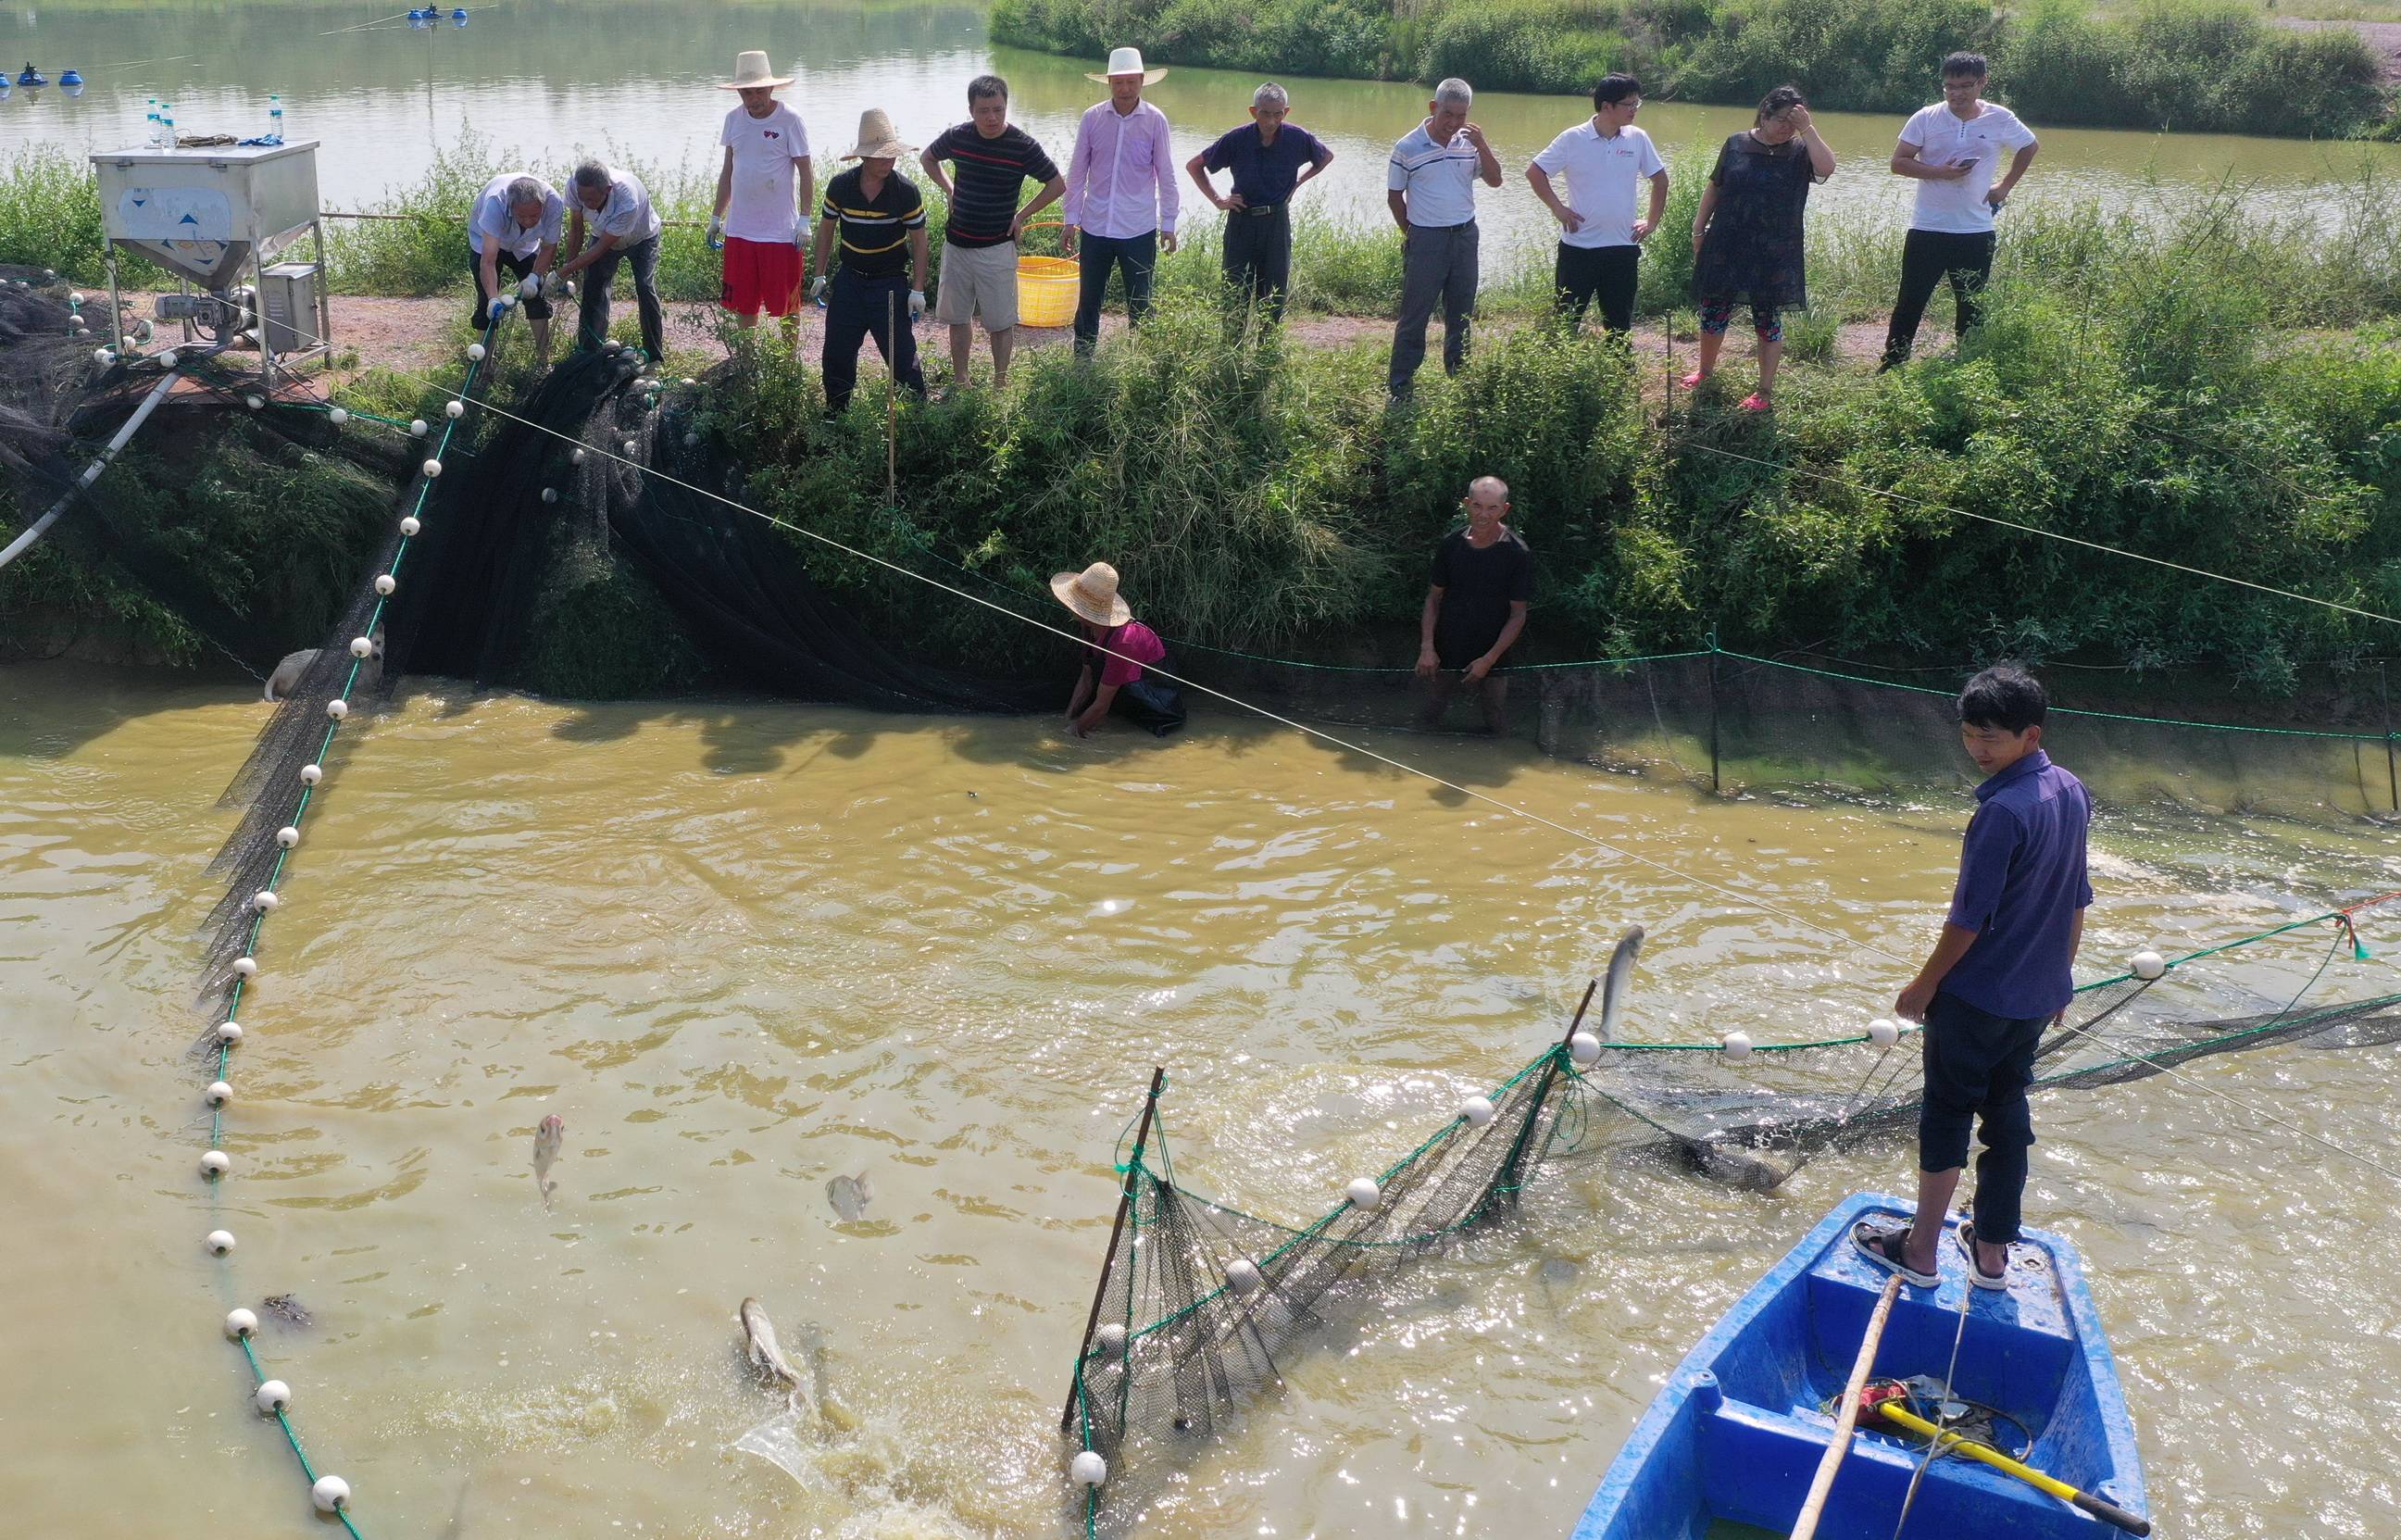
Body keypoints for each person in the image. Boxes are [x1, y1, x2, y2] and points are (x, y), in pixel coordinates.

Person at [1854, 665, 2091, 1292]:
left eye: (1992, 738)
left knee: (1946, 1116)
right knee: (2007, 1118)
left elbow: (1968, 918)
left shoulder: (2002, 813)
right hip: (2032, 999)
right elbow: (2075, 898)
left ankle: (1922, 1250)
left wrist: (1923, 984)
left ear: (2030, 735)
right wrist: (2059, 978)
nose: (1977, 750)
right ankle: (1990, 1256)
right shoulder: (2069, 790)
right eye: (1968, 735)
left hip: (1975, 995)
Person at [1881, 52, 2039, 369]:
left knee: (1971, 303)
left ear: (1982, 82)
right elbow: (1898, 163)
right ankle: (1893, 362)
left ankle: (1968, 363)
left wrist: (2004, 187)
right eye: (1949, 86)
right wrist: (1940, 171)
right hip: (1927, 226)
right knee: (1910, 300)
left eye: (1965, 86)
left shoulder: (2000, 118)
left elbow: (2029, 146)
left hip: (1976, 229)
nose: (1956, 93)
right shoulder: (1926, 117)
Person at [1686, 85, 1834, 411]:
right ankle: (1705, 371)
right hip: (1728, 242)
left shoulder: (1800, 150)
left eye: (1794, 122)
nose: (1787, 127)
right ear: (1764, 115)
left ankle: (1763, 392)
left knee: (1768, 319)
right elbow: (1715, 187)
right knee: (1714, 311)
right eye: (1782, 119)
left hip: (1775, 250)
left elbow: (1827, 169)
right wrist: (1699, 230)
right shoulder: (1736, 143)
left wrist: (1807, 129)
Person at [920, 74, 1065, 391]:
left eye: (999, 109)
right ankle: (962, 381)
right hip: (957, 244)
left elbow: (1057, 184)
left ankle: (1001, 384)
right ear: (971, 110)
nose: (992, 117)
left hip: (997, 246)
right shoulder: (958, 136)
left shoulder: (1022, 145)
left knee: (1000, 322)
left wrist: (1021, 215)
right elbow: (928, 157)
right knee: (958, 318)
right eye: (984, 110)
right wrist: (949, 189)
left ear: (1006, 107)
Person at [807, 109, 930, 415]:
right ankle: (836, 413)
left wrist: (917, 290)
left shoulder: (905, 191)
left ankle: (917, 415)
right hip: (849, 280)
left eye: (892, 155)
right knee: (837, 352)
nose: (889, 161)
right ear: (864, 157)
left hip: (890, 284)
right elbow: (826, 230)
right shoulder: (840, 186)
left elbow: (919, 240)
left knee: (902, 355)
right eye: (881, 156)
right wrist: (819, 275)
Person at [1386, 78, 1503, 399]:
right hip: (1426, 240)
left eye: (1461, 116)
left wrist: (1482, 145)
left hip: (1465, 236)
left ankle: (1459, 378)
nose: (1453, 123)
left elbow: (1495, 180)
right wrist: (1412, 234)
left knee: (1461, 312)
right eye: (1447, 114)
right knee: (1415, 313)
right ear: (1433, 108)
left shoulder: (1470, 143)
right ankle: (1401, 383)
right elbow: (1395, 198)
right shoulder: (1407, 147)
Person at [1526, 74, 1667, 336]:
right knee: (1566, 320)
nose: (1634, 109)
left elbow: (1660, 180)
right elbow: (1535, 172)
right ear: (1606, 106)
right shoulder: (1573, 138)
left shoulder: (1637, 138)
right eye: (1628, 104)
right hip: (1579, 248)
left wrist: (1651, 222)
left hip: (1622, 247)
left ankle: (1621, 370)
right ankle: (1562, 374)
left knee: (1619, 323)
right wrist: (1558, 208)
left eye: (1637, 103)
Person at [1062, 47, 1181, 357]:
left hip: (1138, 228)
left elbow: (1166, 173)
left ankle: (1139, 363)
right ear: (1109, 83)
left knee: (1140, 300)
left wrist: (1168, 223)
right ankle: (1083, 362)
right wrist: (1070, 219)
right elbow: (1077, 173)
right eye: (1118, 82)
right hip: (1096, 225)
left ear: (1142, 81)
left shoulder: (1155, 121)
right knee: (1089, 299)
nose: (1125, 89)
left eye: (1131, 82)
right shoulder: (1092, 118)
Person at [1185, 81, 1334, 324]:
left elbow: (1325, 157)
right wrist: (1218, 200)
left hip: (1276, 223)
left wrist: (1297, 183)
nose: (1271, 121)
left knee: (1273, 296)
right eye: (1265, 114)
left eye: (1278, 114)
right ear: (1253, 112)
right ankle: (1230, 353)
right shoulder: (1236, 139)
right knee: (1235, 294)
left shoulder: (1297, 138)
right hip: (1241, 221)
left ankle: (1267, 356)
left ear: (1286, 112)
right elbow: (1194, 165)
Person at [708, 49, 815, 336]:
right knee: (744, 304)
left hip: (780, 232)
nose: (752, 99)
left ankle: (787, 367)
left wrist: (805, 219)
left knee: (787, 306)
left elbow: (806, 170)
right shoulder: (733, 119)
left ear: (770, 88)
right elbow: (728, 171)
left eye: (757, 92)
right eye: (746, 93)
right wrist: (716, 217)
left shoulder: (790, 120)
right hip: (740, 230)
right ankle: (747, 362)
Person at [1414, 476, 1532, 734]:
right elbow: (1433, 598)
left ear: (1504, 509)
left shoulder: (1517, 553)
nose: (1483, 514)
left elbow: (1518, 615)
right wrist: (1427, 648)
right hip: (1447, 644)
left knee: (1494, 714)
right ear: (1467, 504)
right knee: (1432, 707)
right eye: (1477, 506)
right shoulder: (1451, 545)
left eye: (1492, 508)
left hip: (1494, 649)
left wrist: (1488, 660)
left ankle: (1497, 760)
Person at [1054, 561, 1185, 737]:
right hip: (1122, 693)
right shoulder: (1088, 625)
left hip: (1156, 705)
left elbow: (1101, 706)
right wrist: (1067, 718)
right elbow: (1086, 678)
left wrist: (1072, 734)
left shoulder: (1125, 642)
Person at [556, 161, 666, 360]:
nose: (586, 203)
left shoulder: (627, 200)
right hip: (602, 233)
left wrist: (559, 274)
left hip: (642, 237)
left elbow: (601, 248)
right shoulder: (574, 186)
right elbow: (576, 228)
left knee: (644, 287)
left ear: (607, 190)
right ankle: (589, 351)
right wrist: (568, 267)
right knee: (593, 287)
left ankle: (654, 356)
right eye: (582, 198)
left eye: (591, 199)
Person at [467, 171, 562, 364]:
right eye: (521, 216)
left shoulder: (554, 203)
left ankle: (544, 360)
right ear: (510, 207)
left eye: (534, 216)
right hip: (486, 243)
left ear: (543, 206)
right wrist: (494, 299)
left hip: (526, 246)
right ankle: (485, 365)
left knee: (536, 297)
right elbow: (488, 261)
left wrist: (535, 277)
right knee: (486, 303)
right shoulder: (495, 203)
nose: (528, 221)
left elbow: (549, 246)